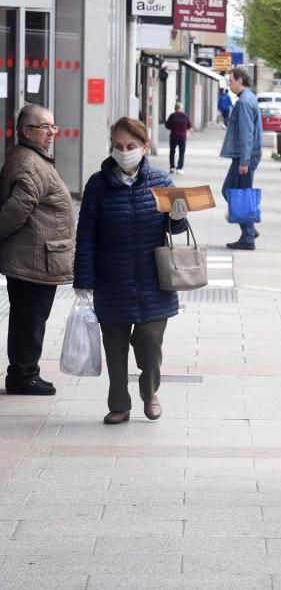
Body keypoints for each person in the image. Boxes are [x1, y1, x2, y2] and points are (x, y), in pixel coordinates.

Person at [73, 117, 189, 425]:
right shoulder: (98, 185)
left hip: (154, 280)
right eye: (118, 146)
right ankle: (119, 404)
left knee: (150, 342)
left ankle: (150, 392)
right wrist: (83, 279)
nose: (124, 152)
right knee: (114, 346)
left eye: (131, 146)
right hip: (112, 280)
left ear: (145, 146)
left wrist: (179, 216)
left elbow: (176, 228)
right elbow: (86, 234)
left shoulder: (161, 181)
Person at [0, 104, 74, 396]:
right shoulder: (30, 163)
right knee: (30, 319)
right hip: (34, 259)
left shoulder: (30, 158)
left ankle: (24, 371)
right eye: (45, 127)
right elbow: (17, 209)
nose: (52, 133)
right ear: (26, 131)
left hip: (37, 256)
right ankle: (23, 375)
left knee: (27, 317)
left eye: (53, 127)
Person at [220, 66, 263, 250]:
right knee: (236, 193)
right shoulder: (248, 98)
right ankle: (249, 229)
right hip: (245, 155)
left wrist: (244, 161)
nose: (229, 84)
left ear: (239, 80)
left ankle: (248, 235)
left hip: (245, 157)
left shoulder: (244, 102)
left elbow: (247, 133)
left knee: (236, 193)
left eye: (231, 80)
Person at [165, 102, 191, 174]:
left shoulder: (172, 116)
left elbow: (167, 125)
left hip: (173, 136)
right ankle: (179, 168)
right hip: (182, 137)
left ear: (175, 108)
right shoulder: (185, 116)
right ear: (181, 108)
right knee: (181, 152)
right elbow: (189, 126)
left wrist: (173, 128)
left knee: (172, 152)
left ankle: (172, 167)